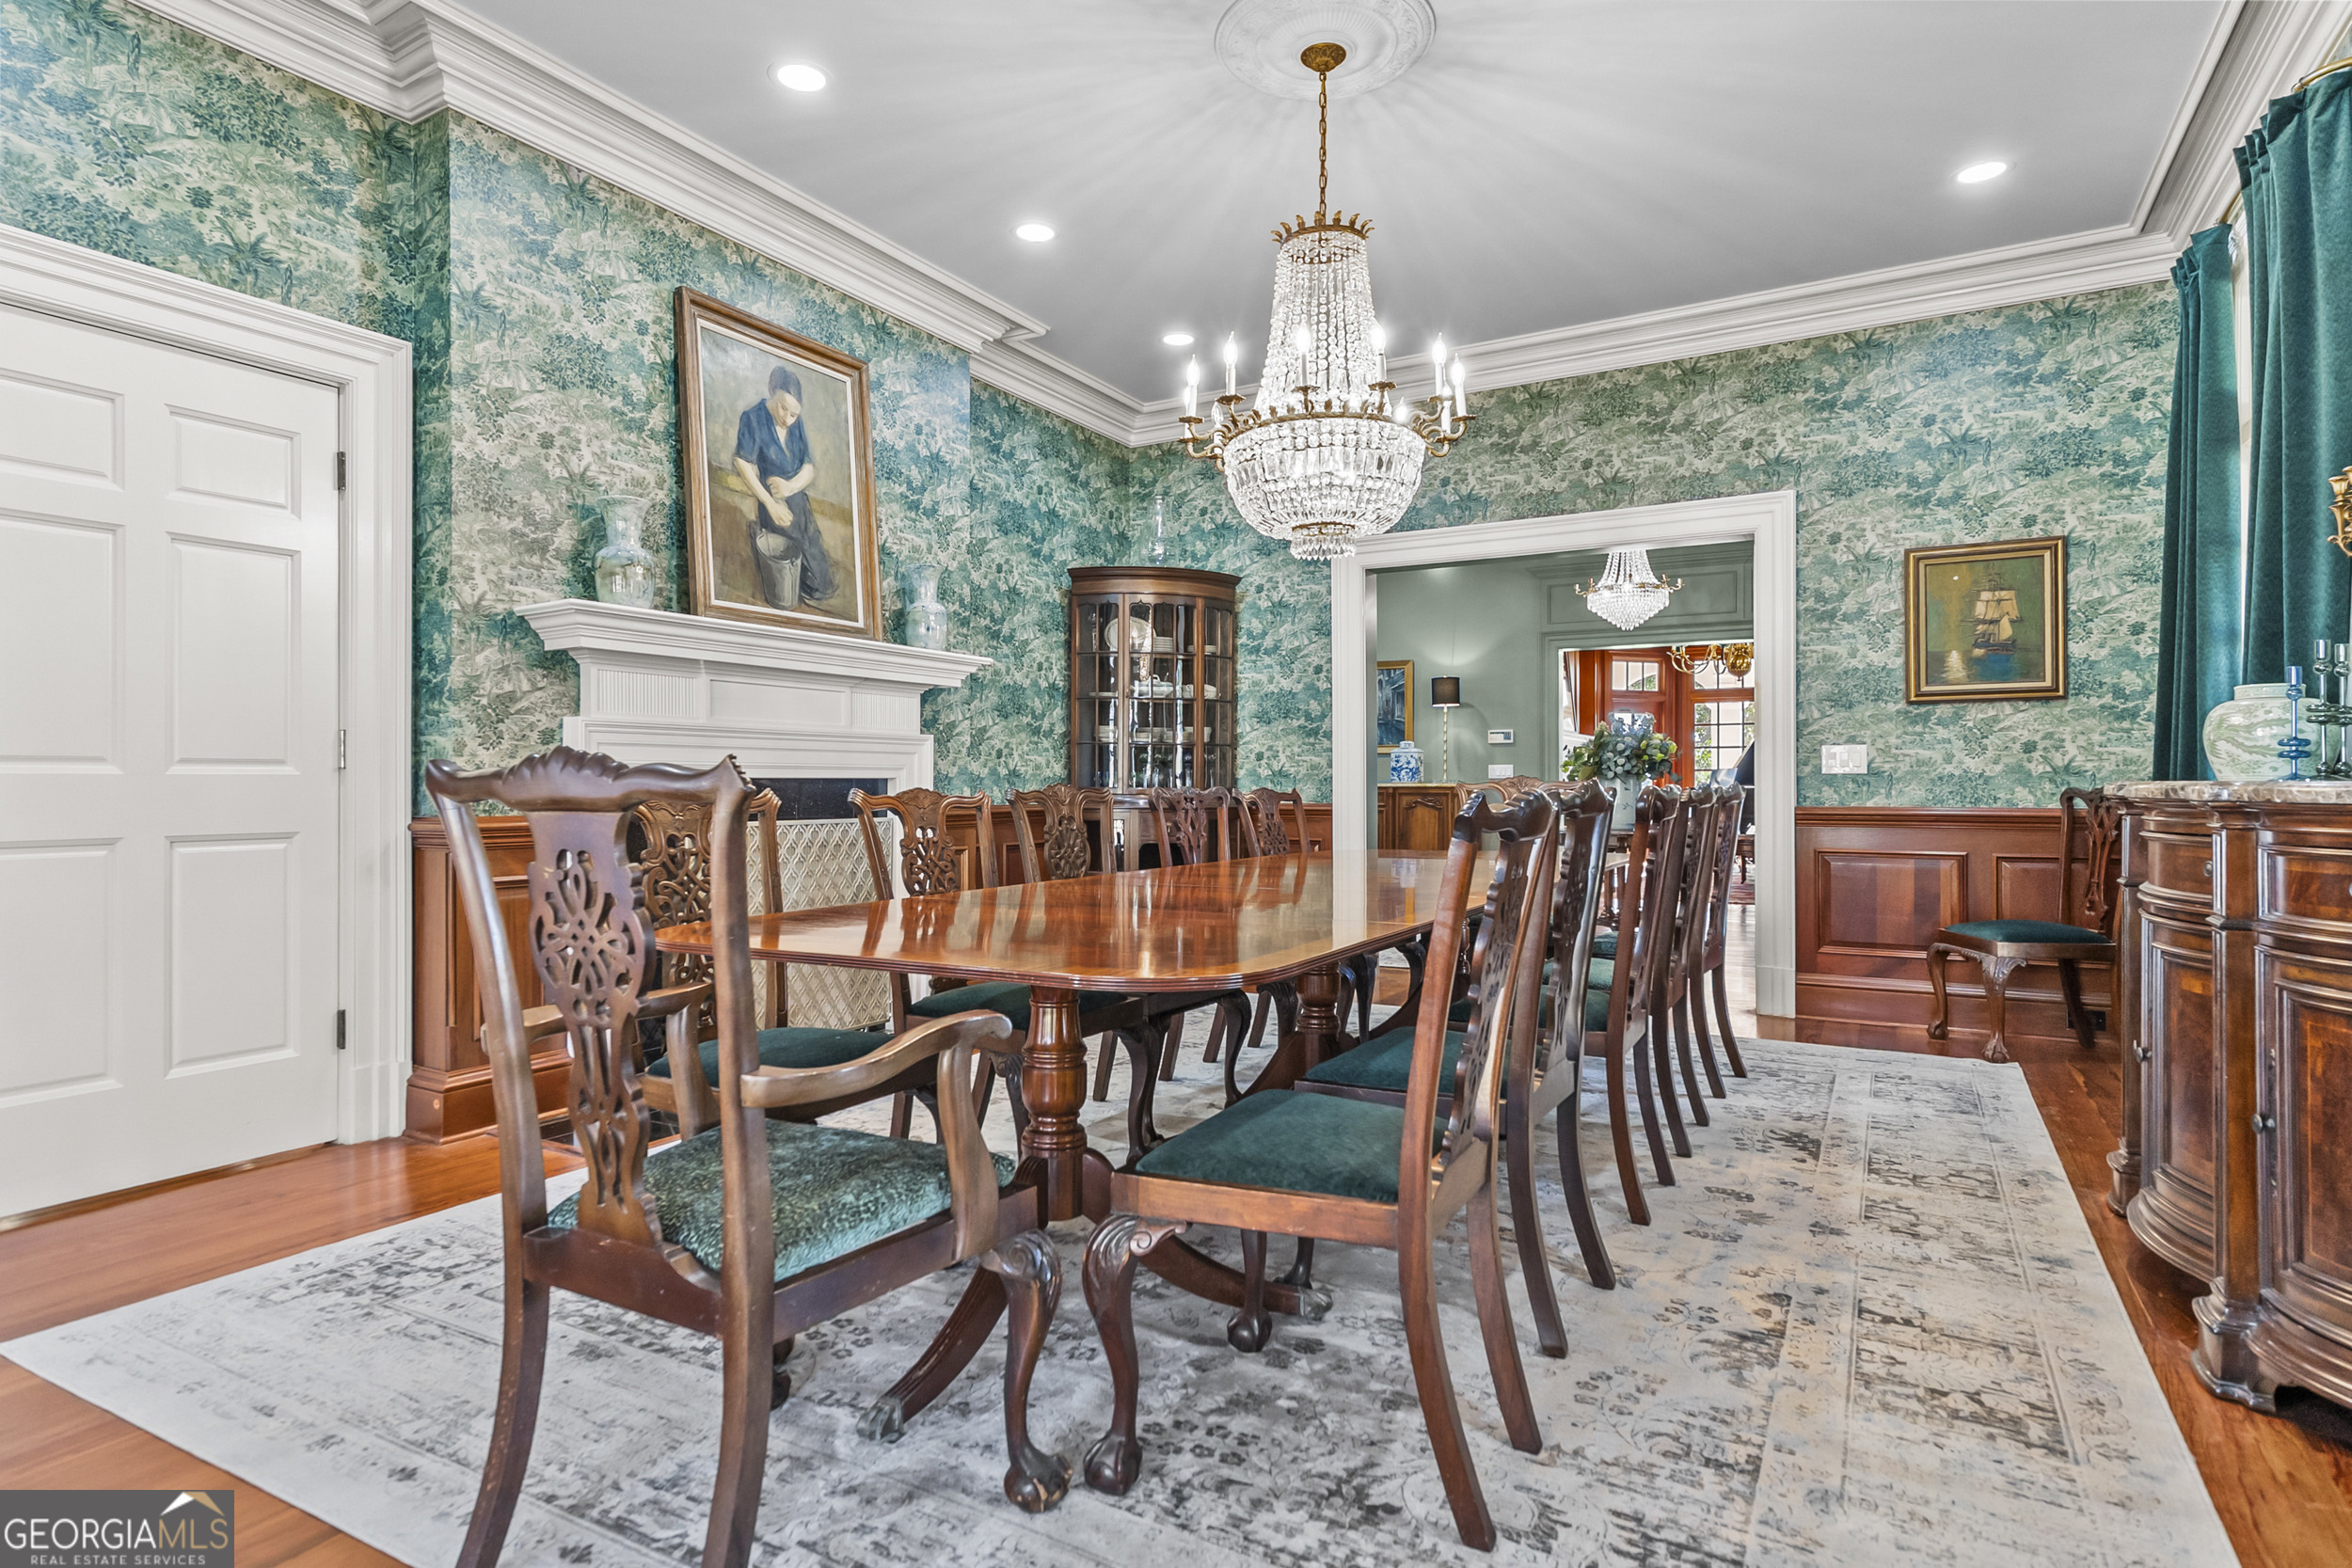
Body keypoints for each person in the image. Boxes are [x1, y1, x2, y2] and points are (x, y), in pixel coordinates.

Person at [732, 364, 834, 610]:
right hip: (773, 507)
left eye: (794, 414)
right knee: (788, 577)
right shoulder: (753, 418)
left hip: (798, 503)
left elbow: (809, 467)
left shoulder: (795, 424)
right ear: (772, 391)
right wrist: (770, 502)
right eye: (783, 408)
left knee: (823, 586)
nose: (787, 419)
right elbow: (741, 461)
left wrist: (789, 487)